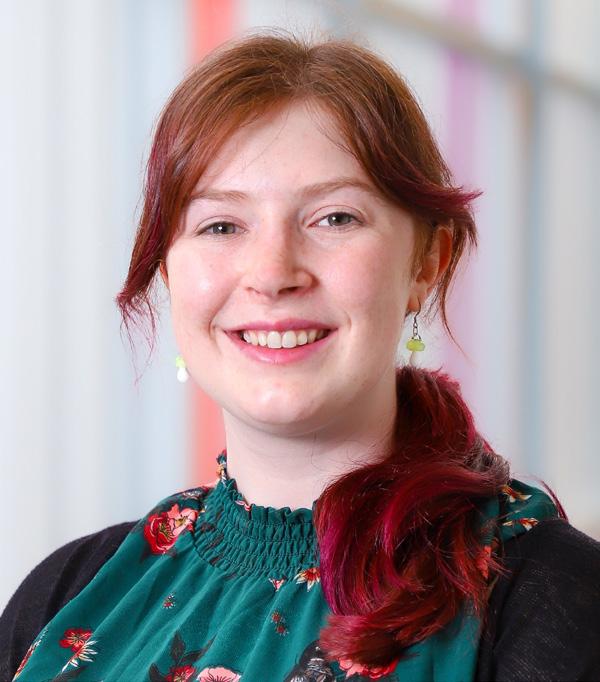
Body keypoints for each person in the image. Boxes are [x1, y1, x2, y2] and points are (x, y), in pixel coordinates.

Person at [1, 30, 599, 682]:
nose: (272, 273)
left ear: (427, 262)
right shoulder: (65, 595)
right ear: (169, 273)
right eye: (220, 225)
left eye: (334, 218)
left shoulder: (554, 601)